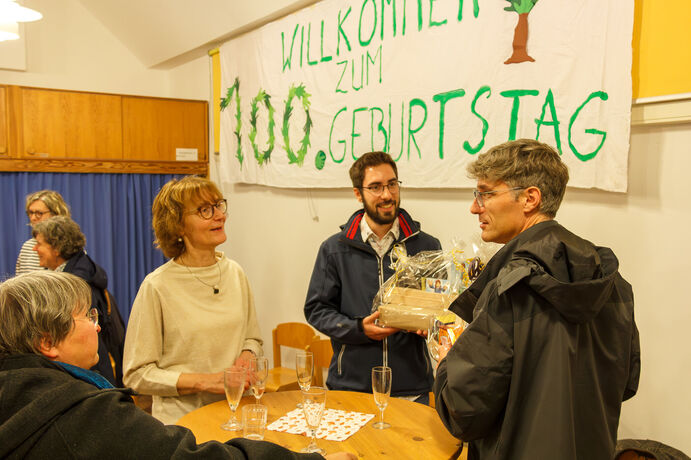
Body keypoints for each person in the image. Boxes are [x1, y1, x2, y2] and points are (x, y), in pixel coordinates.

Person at [0, 271, 355, 460]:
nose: (97, 327)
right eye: (87, 317)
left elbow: (252, 336)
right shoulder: (83, 415)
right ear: (47, 342)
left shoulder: (19, 386)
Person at [432, 139, 640, 460]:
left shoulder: (512, 287)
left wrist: (447, 360)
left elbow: (462, 410)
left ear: (530, 198)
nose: (475, 207)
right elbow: (625, 383)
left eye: (486, 194)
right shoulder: (612, 282)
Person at [123, 176, 262, 424]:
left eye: (218, 205)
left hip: (237, 413)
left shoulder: (235, 272)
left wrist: (247, 356)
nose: (219, 216)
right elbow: (136, 375)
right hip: (185, 423)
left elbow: (252, 338)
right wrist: (205, 382)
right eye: (204, 210)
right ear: (178, 226)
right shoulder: (157, 286)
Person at [304, 151, 441, 403]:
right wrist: (359, 329)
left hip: (412, 387)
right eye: (376, 187)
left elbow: (442, 309)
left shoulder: (427, 246)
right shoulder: (334, 249)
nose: (387, 195)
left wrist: (432, 324)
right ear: (358, 194)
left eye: (392, 184)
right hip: (351, 387)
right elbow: (317, 310)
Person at [31, 216, 124, 387]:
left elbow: (87, 341)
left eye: (39, 244)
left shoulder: (76, 284)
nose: (35, 249)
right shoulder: (77, 272)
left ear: (56, 248)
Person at [15, 189, 70, 275]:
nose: (33, 218)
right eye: (30, 213)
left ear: (56, 214)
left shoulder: (70, 246)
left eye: (39, 213)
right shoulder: (27, 247)